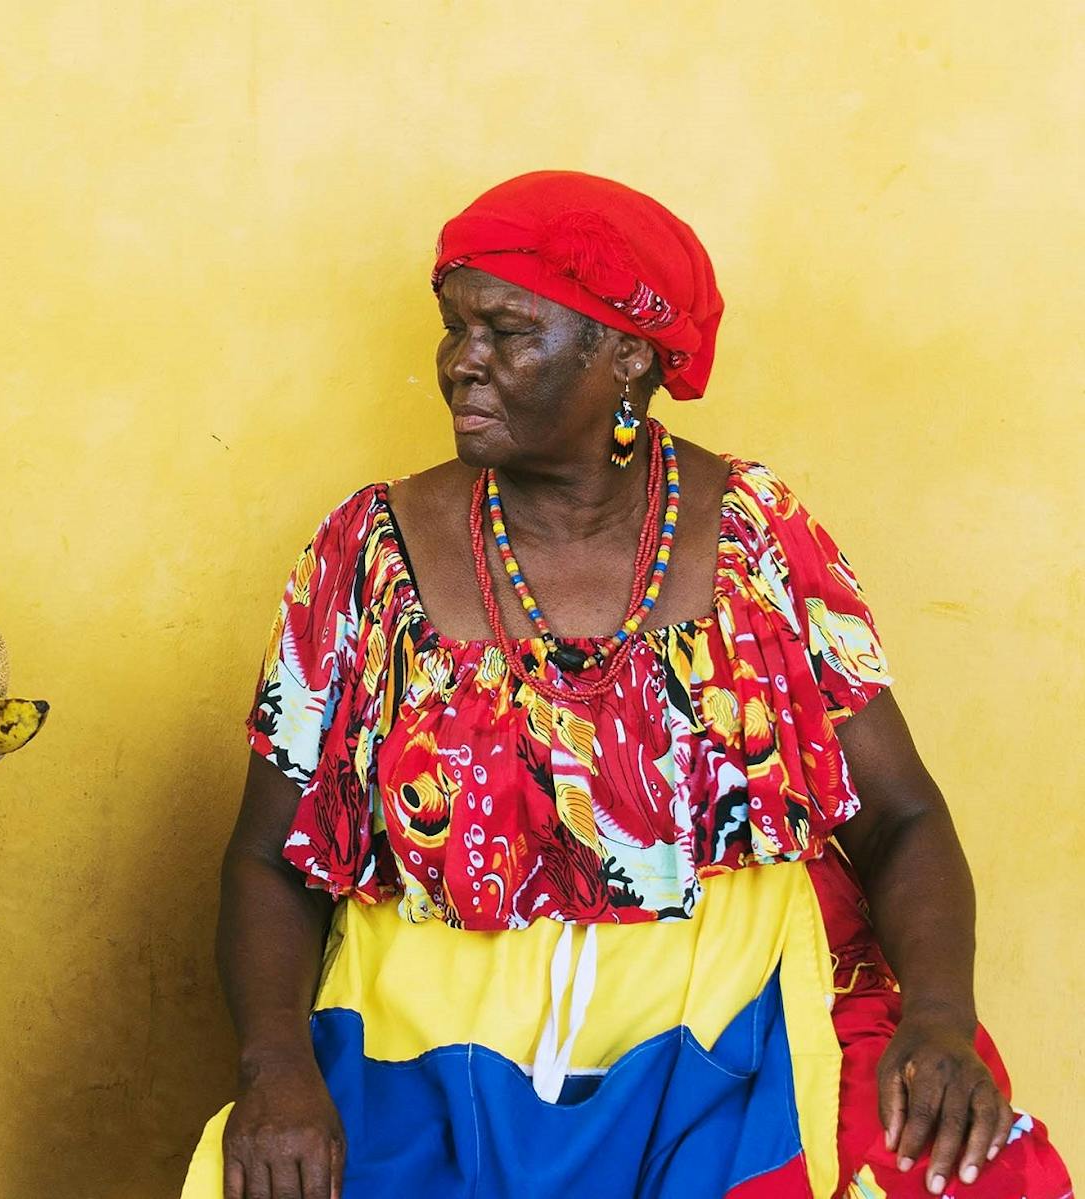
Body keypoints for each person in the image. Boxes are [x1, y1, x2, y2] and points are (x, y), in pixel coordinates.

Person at [182, 171, 1073, 1199]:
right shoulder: (367, 554)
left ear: (627, 354)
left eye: (506, 331)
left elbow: (901, 815)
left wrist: (937, 1017)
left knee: (959, 1166)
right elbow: (265, 856)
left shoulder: (752, 537)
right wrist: (275, 1067)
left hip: (727, 1019)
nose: (460, 363)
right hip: (422, 1037)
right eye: (453, 326)